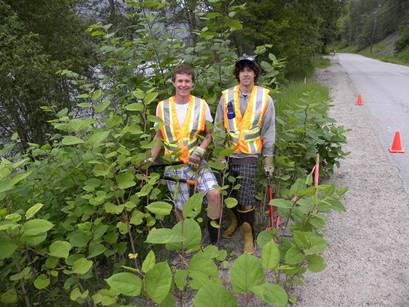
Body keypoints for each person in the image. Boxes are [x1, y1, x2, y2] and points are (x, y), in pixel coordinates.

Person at [150, 64, 222, 244]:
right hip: (173, 165)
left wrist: (200, 150)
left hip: (197, 163)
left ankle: (214, 242)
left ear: (193, 84)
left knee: (214, 194)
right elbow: (158, 136)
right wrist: (150, 158)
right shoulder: (161, 107)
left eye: (187, 81)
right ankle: (189, 244)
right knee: (181, 208)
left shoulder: (201, 105)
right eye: (180, 81)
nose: (183, 85)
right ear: (173, 83)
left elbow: (210, 133)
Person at [214, 56, 275, 254]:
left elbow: (269, 130)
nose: (246, 73)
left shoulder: (265, 98)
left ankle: (249, 235)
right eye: (242, 70)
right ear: (237, 74)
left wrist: (268, 159)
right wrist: (220, 156)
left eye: (250, 70)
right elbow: (218, 127)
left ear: (255, 73)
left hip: (249, 155)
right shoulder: (227, 97)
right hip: (229, 154)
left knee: (246, 195)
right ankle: (235, 222)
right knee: (229, 192)